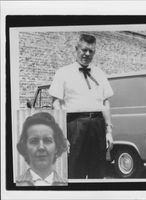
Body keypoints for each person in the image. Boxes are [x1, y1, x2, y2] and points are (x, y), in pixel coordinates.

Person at [49, 34, 114, 179]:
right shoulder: (63, 73)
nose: (87, 54)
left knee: (97, 172)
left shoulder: (100, 73)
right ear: (76, 49)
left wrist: (109, 131)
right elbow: (56, 103)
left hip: (97, 125)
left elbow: (105, 103)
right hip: (75, 126)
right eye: (84, 50)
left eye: (91, 51)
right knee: (74, 172)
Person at [16, 112, 68, 186]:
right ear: (25, 148)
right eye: (34, 141)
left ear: (57, 147)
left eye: (47, 140)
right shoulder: (15, 184)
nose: (41, 147)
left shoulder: (66, 185)